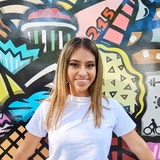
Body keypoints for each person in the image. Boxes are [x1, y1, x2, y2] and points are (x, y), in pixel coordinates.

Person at [13, 37, 154, 160]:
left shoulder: (111, 107)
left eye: (90, 65)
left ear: (96, 69)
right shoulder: (48, 108)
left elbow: (139, 147)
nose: (83, 72)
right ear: (64, 68)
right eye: (74, 64)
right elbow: (25, 151)